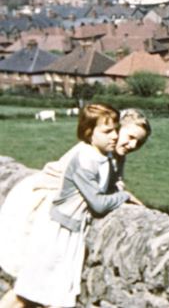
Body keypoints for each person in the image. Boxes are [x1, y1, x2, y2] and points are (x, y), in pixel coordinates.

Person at [0, 104, 141, 308]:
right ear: (89, 133)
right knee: (27, 291)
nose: (116, 136)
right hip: (54, 223)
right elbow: (99, 204)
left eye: (116, 131)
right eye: (109, 131)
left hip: (69, 227)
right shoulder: (85, 157)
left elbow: (111, 182)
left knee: (47, 292)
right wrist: (124, 196)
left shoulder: (106, 156)